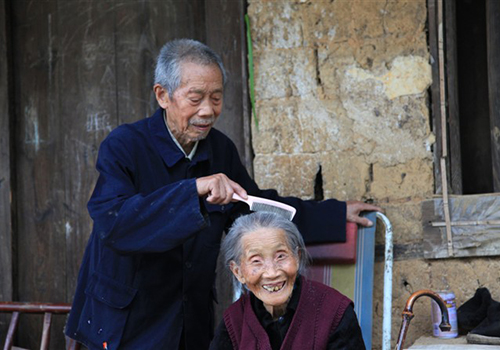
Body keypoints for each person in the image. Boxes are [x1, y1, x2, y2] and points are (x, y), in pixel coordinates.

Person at [65, 38, 380, 350]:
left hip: (190, 320)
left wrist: (335, 215)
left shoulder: (219, 150)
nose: (208, 110)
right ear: (162, 95)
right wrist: (194, 189)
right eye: (196, 98)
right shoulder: (125, 145)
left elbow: (256, 210)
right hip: (129, 322)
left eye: (216, 98)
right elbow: (115, 222)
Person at [209, 212, 366, 350]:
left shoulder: (334, 312)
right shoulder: (235, 320)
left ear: (297, 257)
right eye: (256, 260)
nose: (272, 272)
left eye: (281, 256)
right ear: (238, 272)